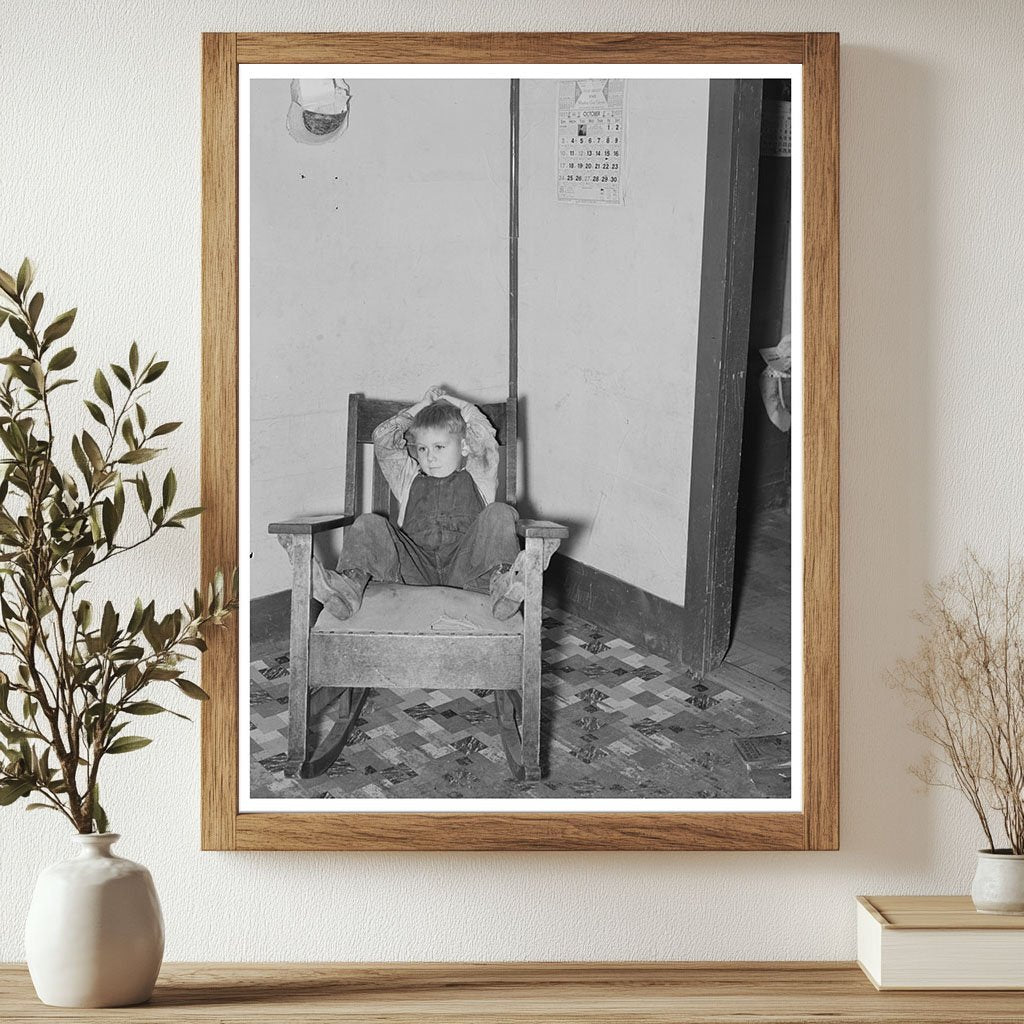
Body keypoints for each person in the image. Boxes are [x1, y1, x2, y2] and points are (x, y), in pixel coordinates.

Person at [311, 385, 525, 621]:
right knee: (369, 522)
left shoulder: (479, 474)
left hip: (467, 568)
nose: (430, 457)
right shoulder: (408, 479)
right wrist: (421, 407)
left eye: (440, 447)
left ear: (464, 446)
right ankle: (347, 590)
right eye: (422, 448)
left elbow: (482, 432)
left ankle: (503, 587)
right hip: (415, 570)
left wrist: (454, 403)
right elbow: (383, 438)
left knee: (500, 512)